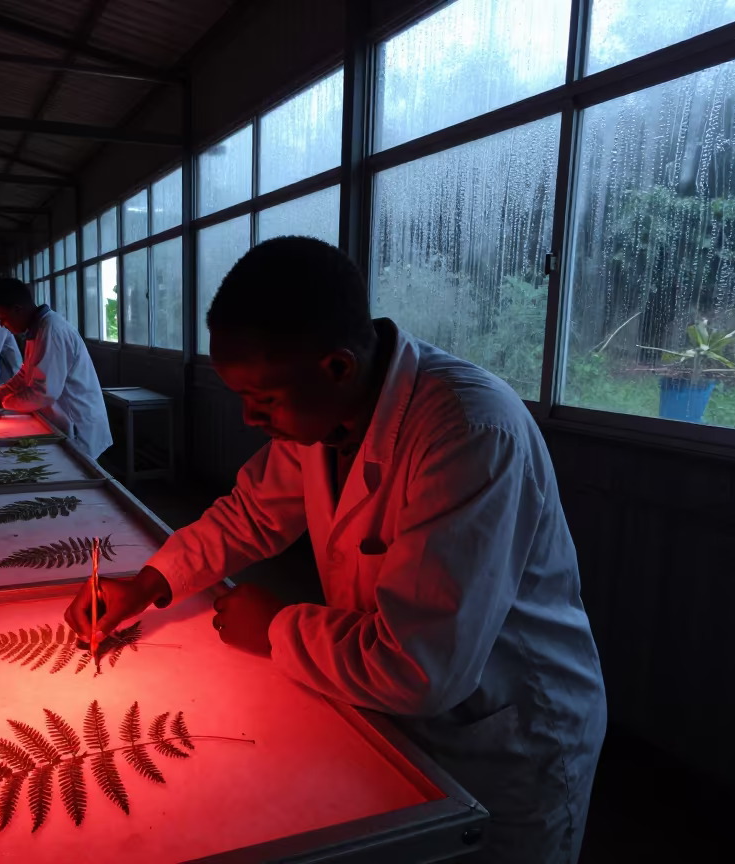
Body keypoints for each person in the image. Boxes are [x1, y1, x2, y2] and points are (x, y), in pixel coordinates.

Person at [64, 237, 607, 864]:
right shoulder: (326, 411)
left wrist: (274, 628)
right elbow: (250, 513)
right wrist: (151, 582)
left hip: (504, 734)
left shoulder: (466, 433)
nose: (248, 418)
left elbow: (422, 667)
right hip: (400, 716)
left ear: (338, 366)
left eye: (262, 400)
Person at [0, 278, 112, 459]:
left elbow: (44, 393)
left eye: (3, 318)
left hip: (77, 425)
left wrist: (0, 403)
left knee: (77, 470)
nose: (2, 325)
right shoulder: (36, 330)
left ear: (18, 309)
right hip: (62, 420)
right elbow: (23, 375)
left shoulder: (51, 330)